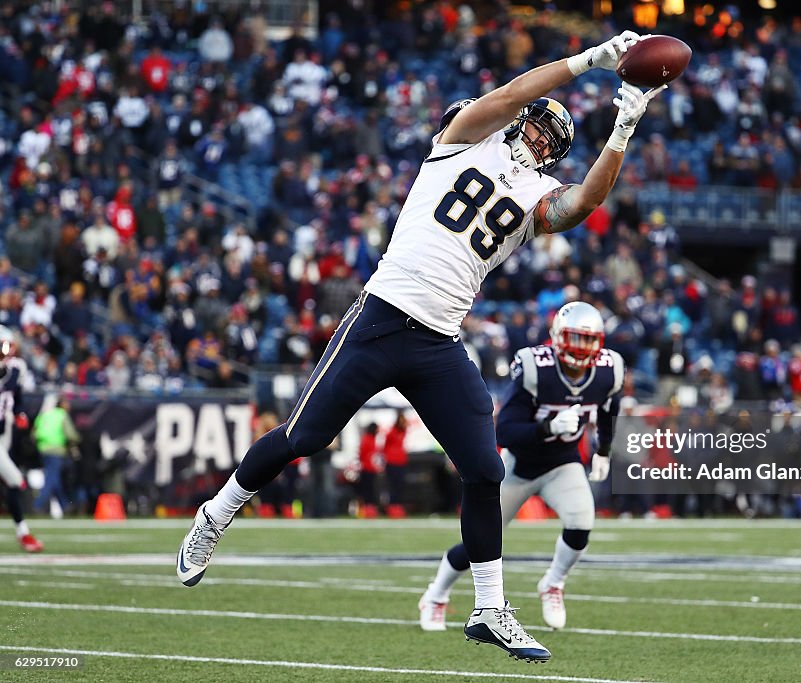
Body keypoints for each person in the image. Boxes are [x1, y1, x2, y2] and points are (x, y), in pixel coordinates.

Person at [176, 30, 663, 663]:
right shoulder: (458, 141)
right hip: (382, 317)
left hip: (439, 340)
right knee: (304, 439)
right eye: (536, 127)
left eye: (551, 141)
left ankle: (490, 605)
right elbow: (517, 93)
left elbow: (583, 203)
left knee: (486, 468)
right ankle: (215, 516)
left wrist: (624, 125)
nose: (539, 139)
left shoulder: (531, 195)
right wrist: (591, 60)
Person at [419, 301, 623, 632]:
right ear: (557, 336)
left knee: (582, 523)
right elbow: (505, 431)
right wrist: (549, 427)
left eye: (589, 340)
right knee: (479, 542)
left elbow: (610, 408)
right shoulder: (535, 367)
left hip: (563, 464)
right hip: (519, 466)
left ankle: (553, 583)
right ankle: (435, 595)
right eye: (576, 338)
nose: (582, 348)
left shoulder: (608, 370)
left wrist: (604, 450)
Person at [0, 327, 43, 552]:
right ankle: (23, 534)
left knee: (12, 483)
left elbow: (16, 396)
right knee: (15, 480)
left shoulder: (16, 368)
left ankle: (23, 533)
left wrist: (20, 413)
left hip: (4, 435)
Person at [32, 395, 82, 518]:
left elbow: (34, 433)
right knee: (51, 478)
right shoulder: (61, 415)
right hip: (56, 450)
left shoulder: (45, 414)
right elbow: (71, 434)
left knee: (55, 478)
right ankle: (37, 505)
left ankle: (65, 505)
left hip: (43, 449)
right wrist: (78, 439)